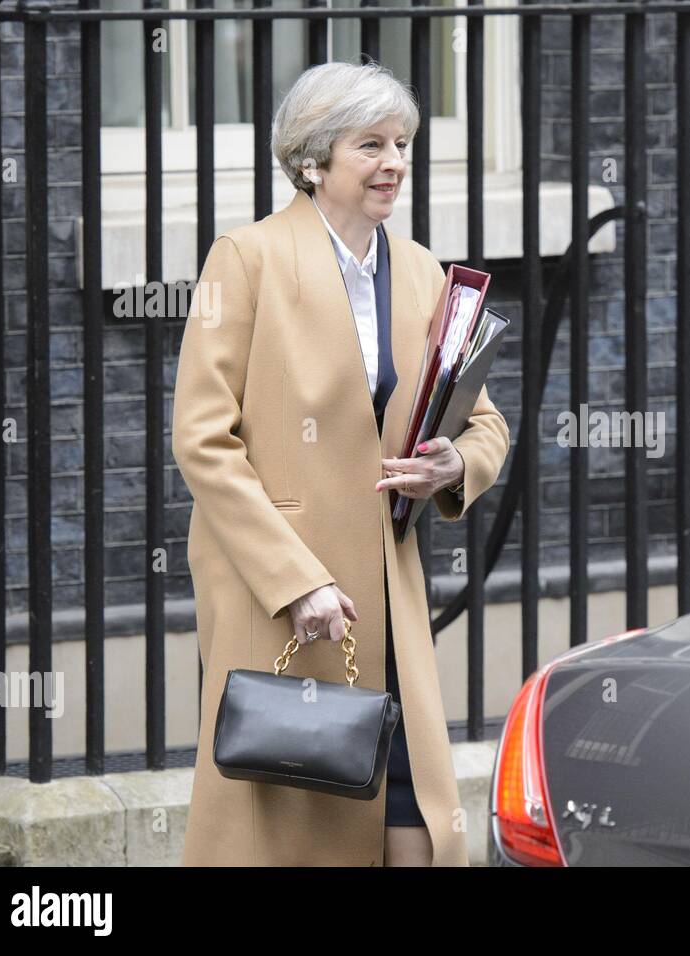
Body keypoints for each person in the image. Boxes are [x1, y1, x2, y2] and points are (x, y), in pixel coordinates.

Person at [172, 61, 509, 866]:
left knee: (410, 809)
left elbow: (486, 420)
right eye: (372, 145)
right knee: (289, 813)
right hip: (278, 585)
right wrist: (297, 580)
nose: (395, 160)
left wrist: (453, 465)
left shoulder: (424, 271)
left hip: (382, 591)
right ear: (314, 159)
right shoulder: (245, 259)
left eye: (402, 143)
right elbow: (203, 438)